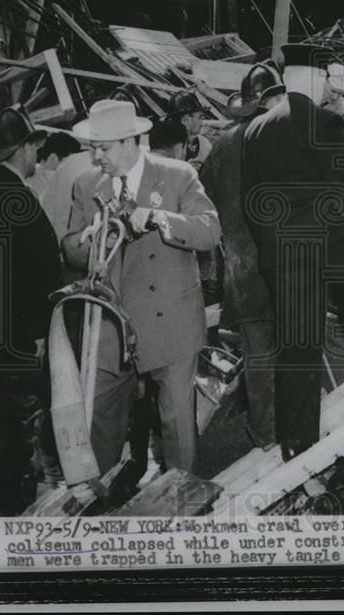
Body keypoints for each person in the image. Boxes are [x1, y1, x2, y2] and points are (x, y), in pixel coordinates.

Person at [63, 99, 221, 474]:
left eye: (102, 148)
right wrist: (88, 241)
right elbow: (68, 247)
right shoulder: (86, 185)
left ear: (131, 141)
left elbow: (209, 230)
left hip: (171, 319)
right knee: (98, 422)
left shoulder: (178, 175)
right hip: (111, 325)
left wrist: (157, 217)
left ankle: (184, 506)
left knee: (177, 426)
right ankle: (99, 509)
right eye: (92, 148)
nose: (95, 157)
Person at [243, 43, 344, 459]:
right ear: (314, 78)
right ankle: (302, 447)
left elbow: (252, 201)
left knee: (294, 347)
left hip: (276, 255)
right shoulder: (324, 121)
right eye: (325, 78)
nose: (327, 86)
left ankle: (293, 439)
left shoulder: (256, 128)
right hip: (313, 254)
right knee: (308, 348)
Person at [0, 105, 61, 515]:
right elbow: (34, 271)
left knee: (0, 424)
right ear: (21, 148)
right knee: (19, 428)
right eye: (34, 145)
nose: (37, 153)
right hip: (20, 334)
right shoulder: (16, 197)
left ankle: (1, 503)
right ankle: (13, 511)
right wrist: (39, 332)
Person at [199, 62, 287, 448]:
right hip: (285, 265)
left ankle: (265, 434)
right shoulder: (281, 136)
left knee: (259, 354)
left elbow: (206, 208)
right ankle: (294, 429)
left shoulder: (220, 147)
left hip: (242, 270)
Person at [27, 131, 82, 200]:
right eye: (69, 163)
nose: (71, 169)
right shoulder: (54, 184)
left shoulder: (27, 173)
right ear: (53, 159)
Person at [166, 92, 212, 171]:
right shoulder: (166, 147)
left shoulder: (204, 144)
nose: (202, 123)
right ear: (186, 119)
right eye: (200, 117)